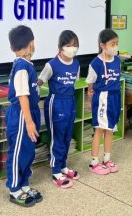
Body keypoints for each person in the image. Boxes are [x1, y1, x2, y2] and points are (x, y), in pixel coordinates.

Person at [38, 30, 80, 189]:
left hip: (70, 102)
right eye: (69, 45)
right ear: (61, 47)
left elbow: (74, 82)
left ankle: (63, 166)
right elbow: (40, 81)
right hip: (56, 103)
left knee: (67, 136)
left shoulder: (76, 63)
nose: (72, 48)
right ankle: (55, 171)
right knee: (57, 137)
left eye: (75, 45)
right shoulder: (52, 65)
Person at [6, 25, 42, 207]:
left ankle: (24, 184)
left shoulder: (26, 64)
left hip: (30, 112)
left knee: (28, 150)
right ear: (31, 43)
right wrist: (29, 122)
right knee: (18, 151)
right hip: (22, 115)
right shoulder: (21, 66)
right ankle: (14, 189)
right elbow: (22, 96)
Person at [86, 28, 121, 174]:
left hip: (115, 97)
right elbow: (90, 84)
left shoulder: (117, 60)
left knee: (110, 129)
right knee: (99, 129)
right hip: (102, 98)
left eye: (117, 43)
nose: (115, 46)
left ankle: (107, 159)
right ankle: (94, 162)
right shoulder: (96, 63)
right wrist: (90, 100)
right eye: (112, 44)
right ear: (102, 45)